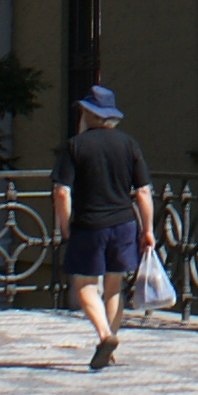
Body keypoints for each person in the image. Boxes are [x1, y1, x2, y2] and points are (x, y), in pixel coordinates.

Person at [51, 85, 154, 370]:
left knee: (84, 284)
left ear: (87, 114)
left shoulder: (75, 145)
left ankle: (105, 336)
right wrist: (148, 230)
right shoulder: (129, 144)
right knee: (114, 286)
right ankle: (110, 348)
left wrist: (64, 226)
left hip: (90, 224)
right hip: (123, 224)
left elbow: (62, 191)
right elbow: (143, 191)